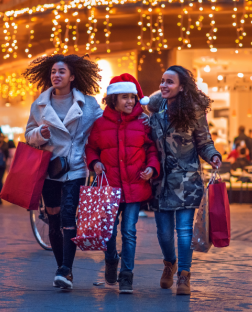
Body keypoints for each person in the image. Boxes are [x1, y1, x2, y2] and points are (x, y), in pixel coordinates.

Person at [24, 54, 104, 290]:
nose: (56, 76)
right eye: (53, 72)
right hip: (49, 171)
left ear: (72, 76)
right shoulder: (39, 104)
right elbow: (28, 135)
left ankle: (65, 269)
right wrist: (40, 134)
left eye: (61, 72)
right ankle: (63, 271)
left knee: (69, 216)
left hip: (76, 168)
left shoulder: (88, 104)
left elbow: (102, 129)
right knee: (54, 218)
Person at [147, 65, 221, 296]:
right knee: (164, 233)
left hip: (186, 182)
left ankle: (184, 275)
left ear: (181, 86)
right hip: (160, 182)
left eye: (170, 82)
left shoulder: (194, 111)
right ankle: (170, 263)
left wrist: (213, 156)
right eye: (162, 81)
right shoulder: (156, 107)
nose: (164, 85)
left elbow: (204, 141)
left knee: (185, 231)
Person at [85, 73, 160, 294]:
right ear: (113, 99)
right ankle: (111, 260)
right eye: (125, 97)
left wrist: (152, 168)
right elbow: (91, 148)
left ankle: (126, 276)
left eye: (133, 97)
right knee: (109, 232)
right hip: (109, 187)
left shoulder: (142, 123)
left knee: (129, 231)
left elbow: (152, 150)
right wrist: (95, 162)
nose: (130, 101)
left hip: (135, 186)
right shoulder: (99, 124)